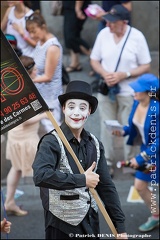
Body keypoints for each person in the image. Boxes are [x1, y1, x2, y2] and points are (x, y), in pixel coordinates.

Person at [32, 80, 128, 239]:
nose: (76, 113)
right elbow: (41, 175)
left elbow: (106, 186)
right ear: (63, 109)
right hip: (61, 226)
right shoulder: (51, 142)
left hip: (90, 223)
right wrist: (82, 179)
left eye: (82, 108)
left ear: (89, 111)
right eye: (71, 107)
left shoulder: (95, 143)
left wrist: (120, 226)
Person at [90, 4, 151, 175]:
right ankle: (106, 163)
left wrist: (125, 74)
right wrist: (105, 73)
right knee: (106, 126)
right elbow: (94, 60)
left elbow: (146, 65)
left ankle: (130, 162)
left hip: (130, 91)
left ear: (124, 22)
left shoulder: (137, 37)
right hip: (107, 89)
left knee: (129, 126)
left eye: (112, 22)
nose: (108, 25)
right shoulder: (103, 34)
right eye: (107, 21)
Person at [112, 73, 159, 232]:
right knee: (140, 186)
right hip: (148, 152)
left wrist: (141, 158)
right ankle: (156, 216)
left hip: (153, 154)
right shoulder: (136, 102)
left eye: (138, 90)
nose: (134, 92)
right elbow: (133, 125)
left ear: (148, 92)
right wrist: (123, 131)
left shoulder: (157, 111)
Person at [4, 55, 47, 216]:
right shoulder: (22, 91)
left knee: (16, 169)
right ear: (28, 71)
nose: (37, 71)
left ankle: (9, 202)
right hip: (25, 137)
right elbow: (24, 120)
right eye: (34, 69)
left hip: (18, 136)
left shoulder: (18, 86)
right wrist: (44, 115)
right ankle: (56, 203)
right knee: (44, 167)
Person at [26, 10, 63, 132]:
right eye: (29, 32)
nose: (32, 35)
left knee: (54, 131)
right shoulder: (40, 42)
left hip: (51, 96)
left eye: (34, 31)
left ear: (43, 27)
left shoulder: (52, 47)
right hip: (41, 94)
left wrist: (28, 80)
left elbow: (48, 76)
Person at [62, 1, 93, 75]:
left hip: (76, 8)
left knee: (71, 37)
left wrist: (78, 9)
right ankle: (75, 63)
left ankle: (94, 58)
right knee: (73, 35)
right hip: (71, 8)